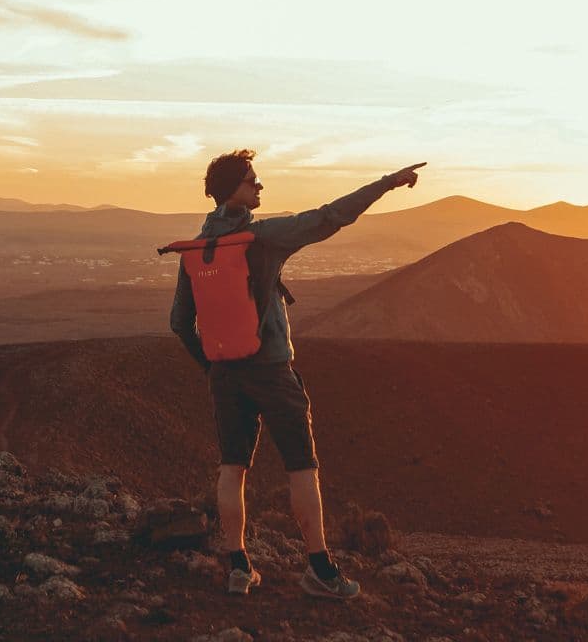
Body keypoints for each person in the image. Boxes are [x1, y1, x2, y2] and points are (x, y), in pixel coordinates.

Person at [170, 150, 425, 599]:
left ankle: (237, 567)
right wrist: (386, 182)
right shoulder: (261, 236)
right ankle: (320, 571)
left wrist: (211, 366)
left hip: (226, 375)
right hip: (269, 369)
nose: (260, 186)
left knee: (232, 467)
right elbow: (329, 217)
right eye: (252, 181)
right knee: (302, 467)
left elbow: (179, 322)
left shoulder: (197, 247)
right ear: (234, 189)